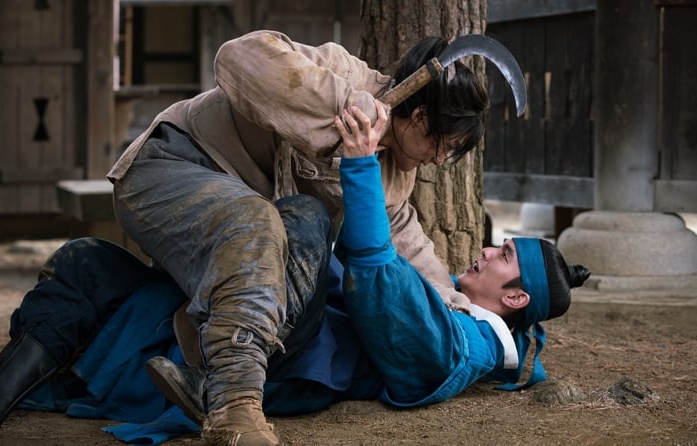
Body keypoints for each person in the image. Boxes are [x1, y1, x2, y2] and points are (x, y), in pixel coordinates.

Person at [105, 29, 495, 444]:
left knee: (297, 223)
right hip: (169, 169)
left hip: (241, 236)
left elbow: (406, 240)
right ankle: (233, 412)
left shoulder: (396, 174)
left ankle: (210, 378)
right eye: (441, 145)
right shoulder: (342, 72)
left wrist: (452, 301)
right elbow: (236, 57)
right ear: (419, 119)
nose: (438, 160)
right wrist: (345, 106)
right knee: (259, 219)